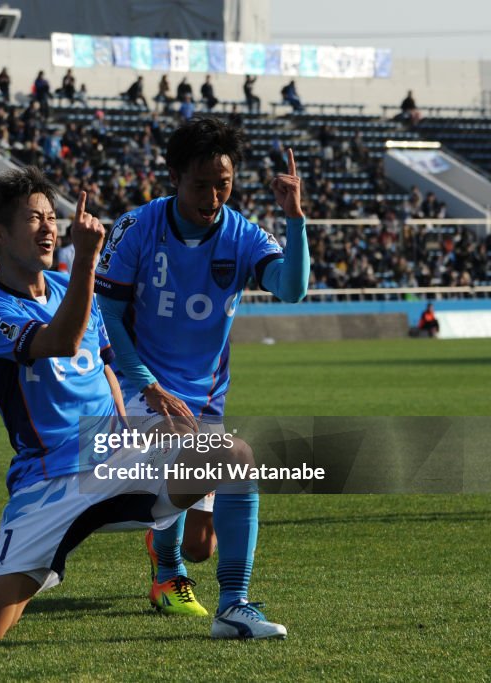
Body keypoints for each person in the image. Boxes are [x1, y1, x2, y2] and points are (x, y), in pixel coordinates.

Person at [0, 167, 283, 641]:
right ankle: (21, 572)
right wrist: (88, 259)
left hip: (115, 459)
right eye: (34, 219)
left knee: (233, 454)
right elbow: (64, 342)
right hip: (49, 481)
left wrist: (136, 426)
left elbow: (105, 365)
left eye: (51, 217)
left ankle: (233, 605)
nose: (49, 228)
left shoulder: (71, 285)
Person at [94, 116, 306, 636]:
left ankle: (170, 553)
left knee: (201, 543)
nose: (213, 195)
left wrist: (296, 220)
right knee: (240, 466)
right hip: (144, 390)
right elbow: (109, 314)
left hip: (205, 398)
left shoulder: (244, 234)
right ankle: (226, 600)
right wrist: (145, 382)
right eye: (200, 184)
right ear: (173, 177)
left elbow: (292, 289)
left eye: (224, 183)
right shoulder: (138, 226)